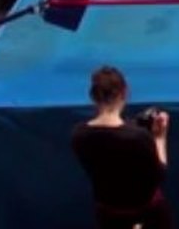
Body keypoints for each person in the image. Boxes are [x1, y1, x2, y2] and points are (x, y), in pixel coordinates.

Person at [71, 66, 172, 229]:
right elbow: (159, 174)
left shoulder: (78, 135)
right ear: (124, 93)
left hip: (108, 216)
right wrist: (159, 138)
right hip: (147, 216)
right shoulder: (138, 137)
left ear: (92, 96)